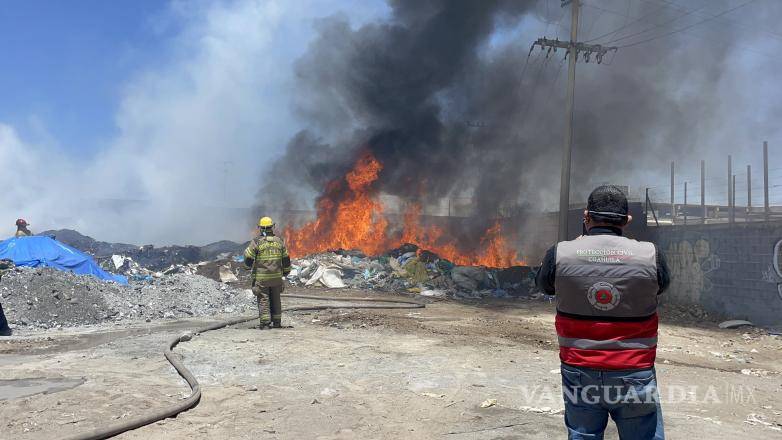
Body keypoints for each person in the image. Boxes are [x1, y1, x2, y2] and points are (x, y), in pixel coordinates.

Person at [536, 185, 670, 440]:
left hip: (579, 369)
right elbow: (661, 286)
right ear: (627, 220)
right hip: (634, 370)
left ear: (586, 217)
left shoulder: (560, 253)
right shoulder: (651, 255)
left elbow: (545, 286)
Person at [244, 216, 291, 329]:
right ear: (272, 227)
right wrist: (285, 272)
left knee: (263, 298)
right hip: (276, 278)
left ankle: (265, 323)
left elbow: (249, 257)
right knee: (276, 299)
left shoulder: (257, 242)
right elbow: (286, 259)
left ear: (261, 228)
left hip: (262, 279)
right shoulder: (279, 241)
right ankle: (277, 322)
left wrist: (247, 267)